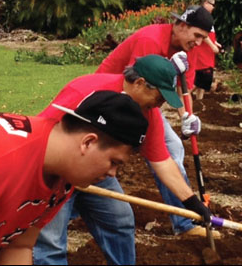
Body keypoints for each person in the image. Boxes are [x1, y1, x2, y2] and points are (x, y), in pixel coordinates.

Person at [0, 91, 149, 265]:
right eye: (114, 162)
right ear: (88, 142)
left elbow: (18, 245)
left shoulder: (62, 176)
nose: (112, 174)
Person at [33, 55, 214, 265]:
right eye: (159, 97)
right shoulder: (86, 90)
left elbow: (162, 161)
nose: (160, 104)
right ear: (139, 84)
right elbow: (45, 136)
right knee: (51, 242)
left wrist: (190, 202)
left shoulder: (148, 113)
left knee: (120, 220)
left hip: (98, 171)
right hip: (57, 171)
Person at [96, 5, 214, 233]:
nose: (199, 43)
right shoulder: (151, 39)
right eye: (197, 35)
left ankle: (184, 220)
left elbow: (183, 89)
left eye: (204, 38)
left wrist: (186, 117)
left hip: (145, 99)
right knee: (163, 153)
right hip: (112, 98)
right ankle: (185, 222)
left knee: (173, 148)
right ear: (180, 25)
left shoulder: (189, 49)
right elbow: (136, 82)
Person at [193, 0, 222, 103]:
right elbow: (201, 32)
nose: (213, 7)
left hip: (207, 53)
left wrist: (215, 43)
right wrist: (212, 45)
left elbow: (209, 33)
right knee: (201, 79)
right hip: (202, 54)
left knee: (203, 83)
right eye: (212, 5)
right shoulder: (201, 15)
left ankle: (199, 102)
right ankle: (184, 97)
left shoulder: (207, 16)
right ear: (205, 3)